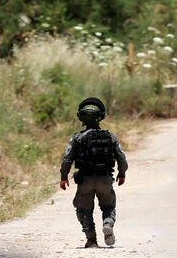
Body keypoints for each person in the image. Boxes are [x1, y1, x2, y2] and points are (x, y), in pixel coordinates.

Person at [59, 97, 128, 248]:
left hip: (85, 180)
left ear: (81, 118)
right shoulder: (110, 137)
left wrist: (64, 177)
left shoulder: (77, 138)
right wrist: (121, 174)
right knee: (108, 207)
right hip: (105, 179)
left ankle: (91, 241)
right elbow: (122, 158)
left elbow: (67, 160)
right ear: (101, 117)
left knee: (84, 210)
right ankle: (108, 224)